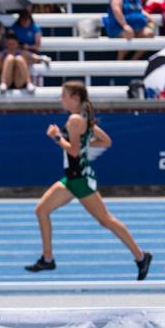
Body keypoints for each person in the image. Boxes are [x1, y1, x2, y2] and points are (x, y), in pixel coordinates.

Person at [26, 82, 152, 278]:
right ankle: (47, 258)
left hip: (80, 179)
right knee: (41, 210)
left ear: (75, 97)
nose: (62, 99)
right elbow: (106, 141)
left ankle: (141, 256)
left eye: (64, 95)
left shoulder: (75, 120)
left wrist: (56, 137)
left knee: (106, 220)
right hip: (71, 178)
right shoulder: (84, 119)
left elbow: (74, 152)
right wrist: (84, 143)